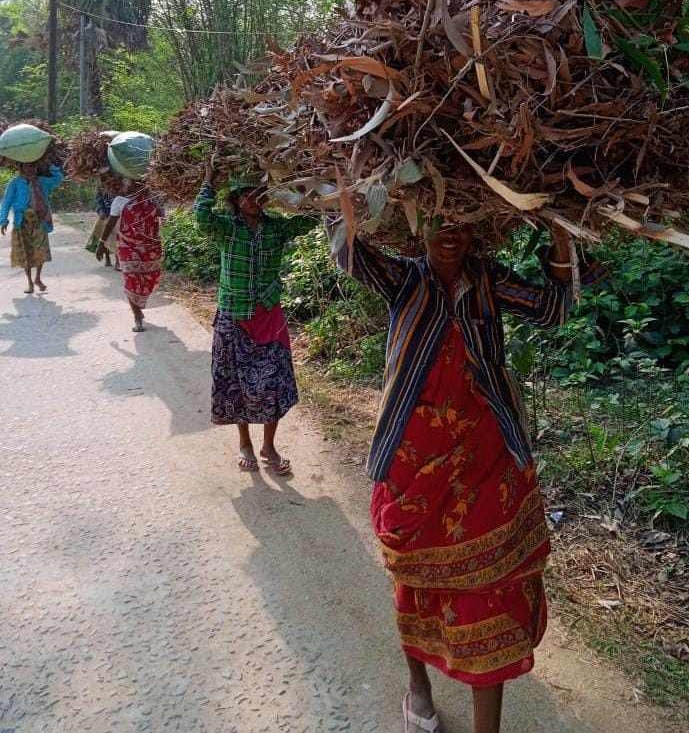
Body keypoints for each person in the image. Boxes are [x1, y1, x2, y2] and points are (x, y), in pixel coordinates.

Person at [331, 220, 604, 733]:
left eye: (462, 225)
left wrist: (562, 234)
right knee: (414, 577)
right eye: (439, 222)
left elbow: (551, 310)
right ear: (418, 226)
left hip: (486, 455)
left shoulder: (488, 280)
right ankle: (419, 689)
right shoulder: (404, 278)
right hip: (415, 461)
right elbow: (350, 253)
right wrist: (339, 191)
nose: (450, 235)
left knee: (490, 588)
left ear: (478, 231)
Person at [194, 156, 317, 474]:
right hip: (234, 314)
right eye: (248, 194)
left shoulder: (276, 229)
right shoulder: (226, 229)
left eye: (260, 193)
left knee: (273, 382)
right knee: (236, 383)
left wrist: (305, 185)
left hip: (269, 315)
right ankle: (245, 443)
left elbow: (311, 220)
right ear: (236, 199)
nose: (255, 199)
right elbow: (201, 218)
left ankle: (269, 446)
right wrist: (208, 181)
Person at [96, 179, 164, 332]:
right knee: (131, 279)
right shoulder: (120, 201)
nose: (132, 184)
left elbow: (162, 217)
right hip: (128, 245)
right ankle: (137, 316)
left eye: (137, 181)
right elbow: (111, 223)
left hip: (151, 246)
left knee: (149, 278)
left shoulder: (154, 198)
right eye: (129, 182)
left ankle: (138, 308)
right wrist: (101, 244)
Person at [0, 161, 64, 293]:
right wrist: (3, 220)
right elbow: (7, 201)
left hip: (39, 220)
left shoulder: (41, 181)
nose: (30, 169)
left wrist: (50, 166)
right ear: (21, 167)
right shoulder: (15, 183)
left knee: (41, 250)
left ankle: (38, 278)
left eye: (33, 166)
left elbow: (58, 179)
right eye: (27, 166)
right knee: (26, 252)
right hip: (22, 222)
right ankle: (29, 282)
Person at [85, 178, 120, 269]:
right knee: (102, 232)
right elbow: (98, 200)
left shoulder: (118, 182)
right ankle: (107, 258)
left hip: (117, 213)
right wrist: (100, 211)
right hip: (105, 213)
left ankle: (118, 260)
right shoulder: (100, 184)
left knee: (116, 235)